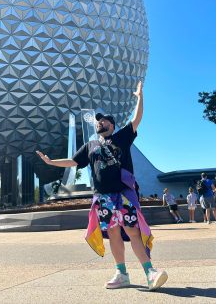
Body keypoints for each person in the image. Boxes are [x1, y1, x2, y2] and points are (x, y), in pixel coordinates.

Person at [36, 81, 168, 291]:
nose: (100, 123)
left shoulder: (121, 138)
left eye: (104, 121)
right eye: (98, 122)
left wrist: (140, 97)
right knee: (113, 234)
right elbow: (73, 161)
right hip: (103, 197)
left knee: (132, 231)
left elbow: (137, 119)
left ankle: (150, 272)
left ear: (112, 125)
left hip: (123, 194)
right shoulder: (90, 145)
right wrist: (52, 162)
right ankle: (121, 273)